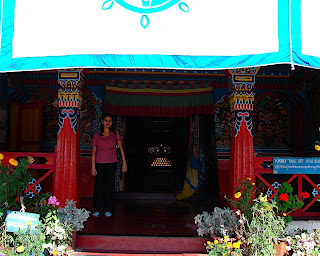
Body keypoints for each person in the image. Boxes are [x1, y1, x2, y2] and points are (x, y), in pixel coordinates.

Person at [91, 114, 127, 217]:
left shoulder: (115, 134)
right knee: (99, 187)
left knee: (109, 186)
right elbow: (93, 152)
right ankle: (98, 209)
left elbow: (121, 148)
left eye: (110, 121)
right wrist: (93, 167)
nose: (108, 122)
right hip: (99, 164)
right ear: (102, 122)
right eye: (106, 120)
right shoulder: (97, 135)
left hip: (111, 163)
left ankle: (108, 209)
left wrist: (124, 162)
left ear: (112, 123)